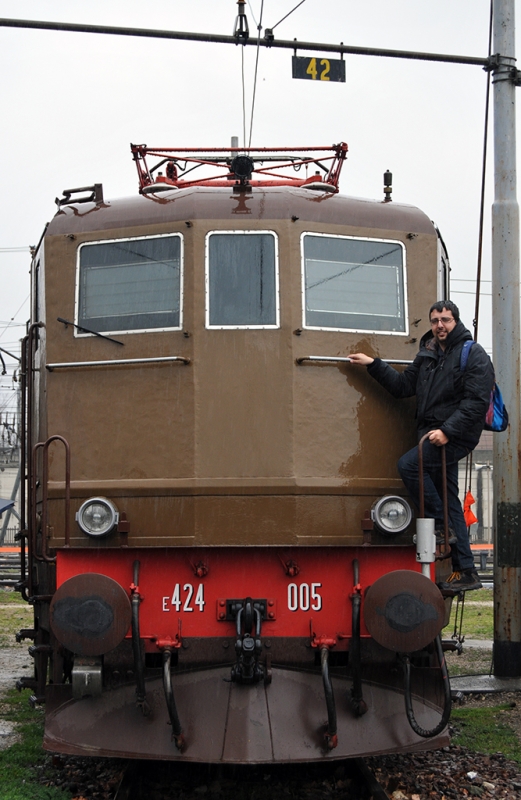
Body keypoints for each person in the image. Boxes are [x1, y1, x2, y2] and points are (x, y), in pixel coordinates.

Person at [349, 300, 494, 592]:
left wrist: (448, 431)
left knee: (409, 464)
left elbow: (476, 403)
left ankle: (442, 525)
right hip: (431, 434)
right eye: (435, 320)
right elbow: (403, 387)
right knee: (449, 498)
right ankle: (466, 570)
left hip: (455, 435)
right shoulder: (427, 355)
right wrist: (374, 365)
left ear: (456, 322)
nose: (440, 325)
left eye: (446, 320)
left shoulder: (472, 354)